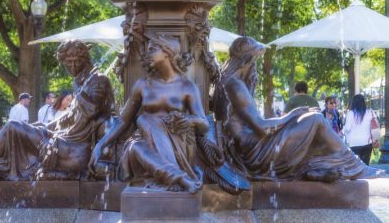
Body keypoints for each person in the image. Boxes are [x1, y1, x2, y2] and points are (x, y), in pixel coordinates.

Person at [213, 37, 384, 183]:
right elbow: (262, 128)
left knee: (310, 119)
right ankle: (357, 169)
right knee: (315, 119)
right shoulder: (235, 86)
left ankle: (317, 169)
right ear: (246, 60)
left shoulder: (226, 82)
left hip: (248, 149)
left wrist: (292, 116)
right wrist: (293, 115)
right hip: (256, 153)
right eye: (255, 60)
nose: (255, 65)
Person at [0, 40, 115, 181]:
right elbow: (70, 117)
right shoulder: (82, 81)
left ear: (84, 58)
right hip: (65, 140)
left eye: (74, 61)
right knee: (16, 130)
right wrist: (44, 126)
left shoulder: (98, 80)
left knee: (13, 127)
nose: (71, 66)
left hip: (73, 147)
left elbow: (92, 110)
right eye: (67, 63)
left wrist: (78, 90)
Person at [89, 35, 209, 193]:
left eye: (152, 50)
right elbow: (122, 121)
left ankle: (175, 177)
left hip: (177, 147)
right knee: (137, 143)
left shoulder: (187, 86)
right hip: (146, 144)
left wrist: (189, 121)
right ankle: (181, 179)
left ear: (168, 52)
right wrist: (100, 144)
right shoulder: (143, 84)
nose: (147, 54)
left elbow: (204, 125)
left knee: (145, 120)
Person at [343, 94, 375, 165]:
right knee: (366, 165)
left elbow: (347, 128)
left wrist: (343, 129)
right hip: (367, 142)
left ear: (353, 103)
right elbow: (374, 126)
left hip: (354, 143)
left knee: (356, 166)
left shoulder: (351, 114)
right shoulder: (370, 112)